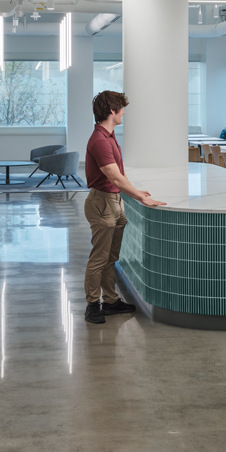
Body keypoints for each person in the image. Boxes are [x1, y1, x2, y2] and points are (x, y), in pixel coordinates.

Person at [83, 91, 166, 325]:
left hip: (115, 201)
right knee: (99, 258)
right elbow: (114, 177)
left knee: (111, 257)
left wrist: (135, 192)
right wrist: (140, 197)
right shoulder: (99, 140)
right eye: (121, 108)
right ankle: (92, 305)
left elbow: (120, 173)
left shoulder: (109, 136)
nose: (124, 112)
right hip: (102, 203)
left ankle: (110, 300)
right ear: (112, 110)